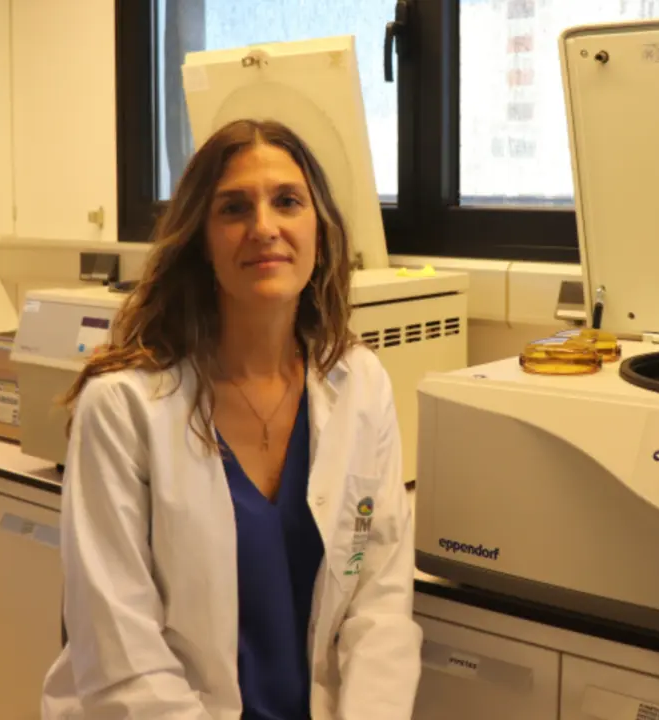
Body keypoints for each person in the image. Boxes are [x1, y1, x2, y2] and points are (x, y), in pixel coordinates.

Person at [40, 118, 423, 719]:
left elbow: (379, 602)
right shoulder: (123, 407)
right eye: (234, 208)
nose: (264, 228)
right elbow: (121, 658)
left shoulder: (359, 385)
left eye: (288, 202)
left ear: (318, 230)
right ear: (201, 239)